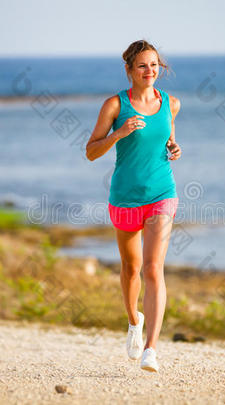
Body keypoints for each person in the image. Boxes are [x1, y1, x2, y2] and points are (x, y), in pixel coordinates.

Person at [86, 40, 182, 372]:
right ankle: (133, 321)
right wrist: (119, 133)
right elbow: (91, 151)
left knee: (154, 268)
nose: (149, 71)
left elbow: (168, 139)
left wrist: (173, 147)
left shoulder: (171, 104)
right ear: (129, 69)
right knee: (131, 269)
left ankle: (152, 350)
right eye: (142, 65)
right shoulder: (115, 105)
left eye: (154, 65)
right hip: (125, 197)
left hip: (162, 194)